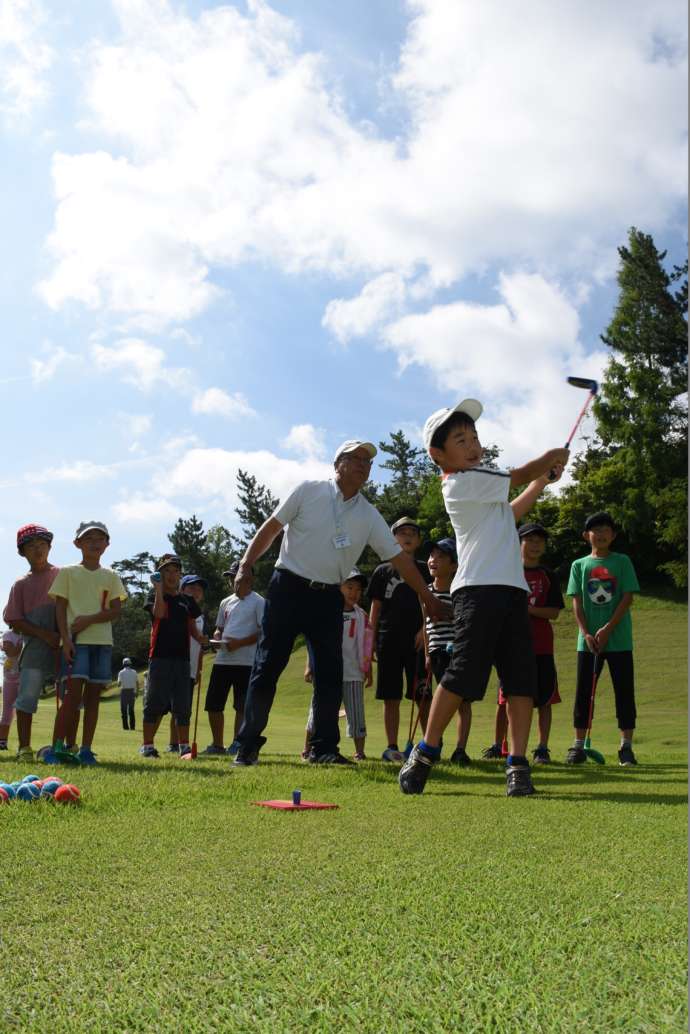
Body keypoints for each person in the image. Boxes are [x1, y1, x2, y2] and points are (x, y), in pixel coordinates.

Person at [232, 439, 449, 766]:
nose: (364, 465)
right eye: (357, 458)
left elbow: (400, 561)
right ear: (338, 464)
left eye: (368, 462)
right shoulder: (308, 491)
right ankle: (247, 744)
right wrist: (245, 566)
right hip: (288, 587)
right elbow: (271, 528)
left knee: (330, 673)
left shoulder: (368, 514)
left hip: (328, 596)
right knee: (267, 666)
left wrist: (428, 598)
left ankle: (324, 749)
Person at [399, 399, 568, 797]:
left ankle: (518, 764)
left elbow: (509, 514)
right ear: (439, 455)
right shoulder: (459, 482)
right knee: (461, 676)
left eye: (474, 436)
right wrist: (547, 460)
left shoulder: (484, 489)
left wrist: (541, 481)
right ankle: (426, 751)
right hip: (477, 592)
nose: (473, 444)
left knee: (520, 681)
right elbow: (516, 475)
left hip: (513, 594)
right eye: (461, 439)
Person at [481, 522, 564, 763]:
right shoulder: (506, 570)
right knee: (504, 698)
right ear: (518, 543)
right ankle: (499, 745)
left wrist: (527, 609)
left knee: (545, 699)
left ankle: (542, 748)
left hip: (541, 647)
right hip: (511, 647)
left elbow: (553, 612)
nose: (535, 545)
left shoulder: (548, 575)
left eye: (540, 541)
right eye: (530, 540)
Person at [45, 521, 126, 765]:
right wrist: (66, 639)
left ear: (107, 544)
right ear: (77, 543)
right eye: (88, 538)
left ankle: (86, 750)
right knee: (72, 697)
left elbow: (115, 610)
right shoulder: (68, 572)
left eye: (99, 538)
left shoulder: (111, 576)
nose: (94, 542)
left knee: (93, 699)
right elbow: (60, 608)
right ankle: (56, 748)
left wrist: (89, 620)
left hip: (102, 643)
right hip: (75, 643)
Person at [565, 511, 640, 767]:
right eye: (595, 530)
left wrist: (608, 628)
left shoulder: (622, 561)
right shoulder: (579, 565)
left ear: (614, 535)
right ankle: (577, 746)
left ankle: (626, 747)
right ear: (587, 535)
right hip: (587, 643)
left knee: (624, 692)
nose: (601, 534)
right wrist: (586, 632)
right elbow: (576, 601)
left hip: (618, 640)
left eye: (606, 529)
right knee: (583, 693)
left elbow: (627, 597)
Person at [369, 518, 428, 762]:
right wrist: (370, 641)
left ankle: (429, 746)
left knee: (423, 695)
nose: (407, 536)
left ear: (418, 540)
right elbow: (375, 608)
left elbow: (433, 601)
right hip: (388, 641)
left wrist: (424, 631)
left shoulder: (426, 569)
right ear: (393, 538)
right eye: (401, 532)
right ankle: (392, 746)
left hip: (418, 642)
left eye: (412, 533)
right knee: (390, 696)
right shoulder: (383, 571)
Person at [3, 525, 60, 762]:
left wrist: (61, 635)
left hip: (63, 643)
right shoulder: (21, 584)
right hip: (35, 646)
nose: (38, 550)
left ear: (49, 547)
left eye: (42, 545)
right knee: (27, 696)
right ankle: (24, 748)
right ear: (22, 552)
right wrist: (44, 634)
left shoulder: (62, 575)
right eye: (31, 546)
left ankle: (62, 747)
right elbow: (12, 618)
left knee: (68, 696)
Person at [303, 568, 373, 761]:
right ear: (338, 587)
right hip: (327, 671)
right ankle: (307, 748)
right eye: (349, 587)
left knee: (356, 712)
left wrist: (368, 670)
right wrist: (310, 665)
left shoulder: (362, 616)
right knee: (317, 710)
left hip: (353, 673)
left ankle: (359, 752)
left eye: (358, 590)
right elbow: (315, 642)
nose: (354, 593)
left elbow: (367, 646)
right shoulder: (325, 613)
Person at [140, 554, 204, 759]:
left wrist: (203, 639)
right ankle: (147, 745)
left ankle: (184, 747)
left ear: (180, 574)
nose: (172, 575)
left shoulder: (187, 601)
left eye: (176, 571)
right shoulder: (153, 596)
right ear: (160, 573)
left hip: (183, 660)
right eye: (167, 570)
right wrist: (158, 589)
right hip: (159, 657)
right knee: (155, 703)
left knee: (182, 705)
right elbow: (158, 614)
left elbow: (192, 627)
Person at [203, 563, 264, 756]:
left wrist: (240, 643)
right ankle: (217, 744)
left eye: (236, 578)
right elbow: (220, 627)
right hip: (222, 660)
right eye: (231, 578)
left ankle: (237, 743)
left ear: (249, 579)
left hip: (246, 662)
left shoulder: (259, 602)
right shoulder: (225, 602)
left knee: (242, 707)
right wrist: (217, 636)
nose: (233, 582)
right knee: (213, 704)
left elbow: (264, 632)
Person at [422, 537, 473, 765]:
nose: (434, 560)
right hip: (436, 652)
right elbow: (425, 626)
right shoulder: (425, 591)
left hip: (456, 652)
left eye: (441, 557)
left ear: (454, 565)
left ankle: (460, 749)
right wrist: (426, 653)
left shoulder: (459, 590)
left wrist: (448, 611)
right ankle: (435, 743)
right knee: (438, 700)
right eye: (432, 556)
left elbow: (466, 620)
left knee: (462, 702)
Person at [166, 574, 208, 752]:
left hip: (189, 669)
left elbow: (199, 647)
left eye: (199, 589)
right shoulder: (179, 609)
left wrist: (198, 669)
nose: (196, 592)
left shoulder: (200, 617)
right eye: (191, 588)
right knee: (166, 707)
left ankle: (177, 743)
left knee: (182, 708)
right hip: (173, 664)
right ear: (182, 590)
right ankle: (171, 744)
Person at [0, 629, 22, 749]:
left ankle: (23, 744)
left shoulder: (28, 634)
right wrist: (21, 647)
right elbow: (11, 652)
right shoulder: (8, 635)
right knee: (7, 711)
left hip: (24, 677)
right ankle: (2, 742)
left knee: (23, 711)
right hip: (10, 678)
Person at [117, 657, 139, 731]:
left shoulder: (121, 672)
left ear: (123, 664)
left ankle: (125, 727)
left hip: (124, 692)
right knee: (131, 710)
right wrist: (137, 692)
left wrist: (118, 683)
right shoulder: (134, 672)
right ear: (130, 664)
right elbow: (137, 683)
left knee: (124, 711)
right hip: (132, 692)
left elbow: (119, 684)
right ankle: (132, 727)